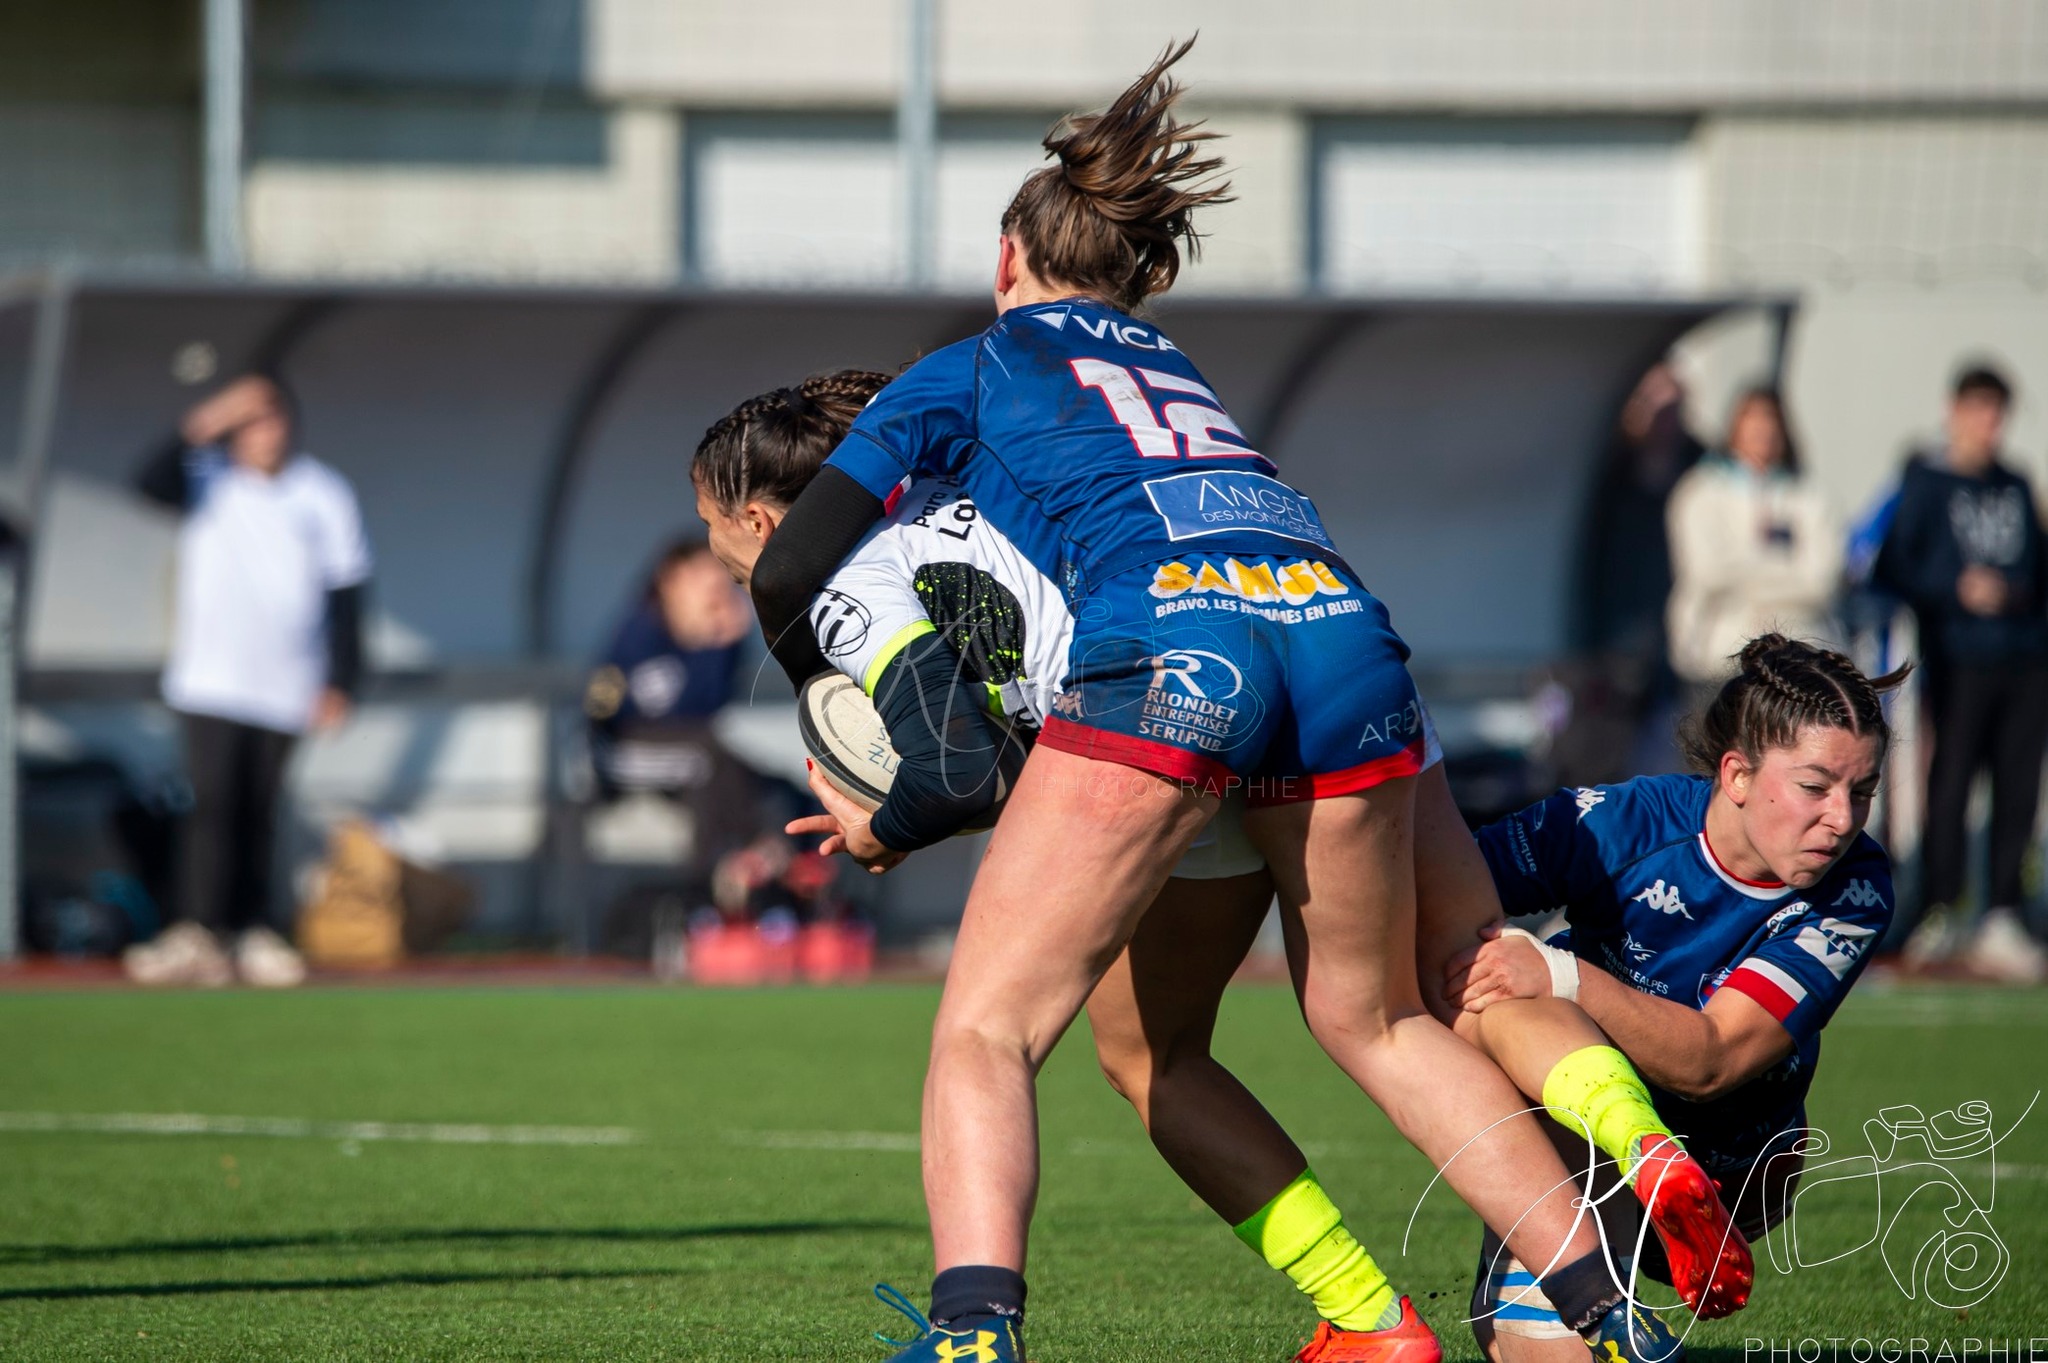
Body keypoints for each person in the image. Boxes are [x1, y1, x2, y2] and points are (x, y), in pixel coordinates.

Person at [743, 41, 1741, 1363]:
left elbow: (799, 559)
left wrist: (819, 701)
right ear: (1132, 272)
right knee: (1380, 1016)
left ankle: (972, 1335)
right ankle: (1610, 1314)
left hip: (1181, 654)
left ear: (1005, 263)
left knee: (989, 1025)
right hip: (1344, 636)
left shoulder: (969, 367)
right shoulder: (1174, 371)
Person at [1443, 636, 1906, 1362]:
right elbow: (1444, 891)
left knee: (1530, 991)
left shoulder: (1854, 888)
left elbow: (1713, 1059)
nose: (1844, 818)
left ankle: (1602, 1244)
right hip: (1598, 1124)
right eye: (1817, 786)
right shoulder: (1622, 822)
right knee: (1491, 986)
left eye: (1864, 790)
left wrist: (1561, 974)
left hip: (1730, 1170)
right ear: (1737, 774)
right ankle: (1599, 1306)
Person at [122, 372, 371, 988]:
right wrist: (209, 417)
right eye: (250, 420)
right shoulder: (209, 478)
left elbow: (348, 594)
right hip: (210, 678)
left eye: (272, 417)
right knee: (210, 805)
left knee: (259, 808)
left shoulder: (322, 492)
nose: (263, 432)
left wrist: (342, 680)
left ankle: (250, 927)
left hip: (286, 682)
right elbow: (148, 482)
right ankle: (195, 929)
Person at [1875, 365, 2048, 984]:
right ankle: (1941, 905)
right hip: (1956, 658)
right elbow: (1892, 564)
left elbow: (2037, 569)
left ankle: (2003, 909)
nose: (1987, 425)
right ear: (1955, 411)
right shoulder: (1926, 481)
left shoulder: (2017, 484)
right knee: (1948, 783)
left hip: (2024, 661)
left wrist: (2016, 593)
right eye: (1977, 410)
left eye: (1997, 412)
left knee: (2018, 788)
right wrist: (1955, 588)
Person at [584, 536, 757, 875]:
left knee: (762, 780)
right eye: (701, 580)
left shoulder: (707, 644)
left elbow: (711, 708)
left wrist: (724, 644)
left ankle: (763, 867)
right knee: (706, 759)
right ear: (670, 580)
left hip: (685, 745)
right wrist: (711, 645)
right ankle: (709, 878)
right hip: (617, 750)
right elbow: (608, 710)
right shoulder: (640, 631)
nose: (714, 595)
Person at [1665, 387, 1843, 707]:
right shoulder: (1700, 492)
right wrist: (1786, 571)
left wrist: (1745, 571)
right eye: (1753, 418)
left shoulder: (1808, 495)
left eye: (1771, 418)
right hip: (1719, 657)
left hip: (1798, 659)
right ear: (1735, 426)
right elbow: (1706, 572)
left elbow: (1822, 581)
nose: (1763, 429)